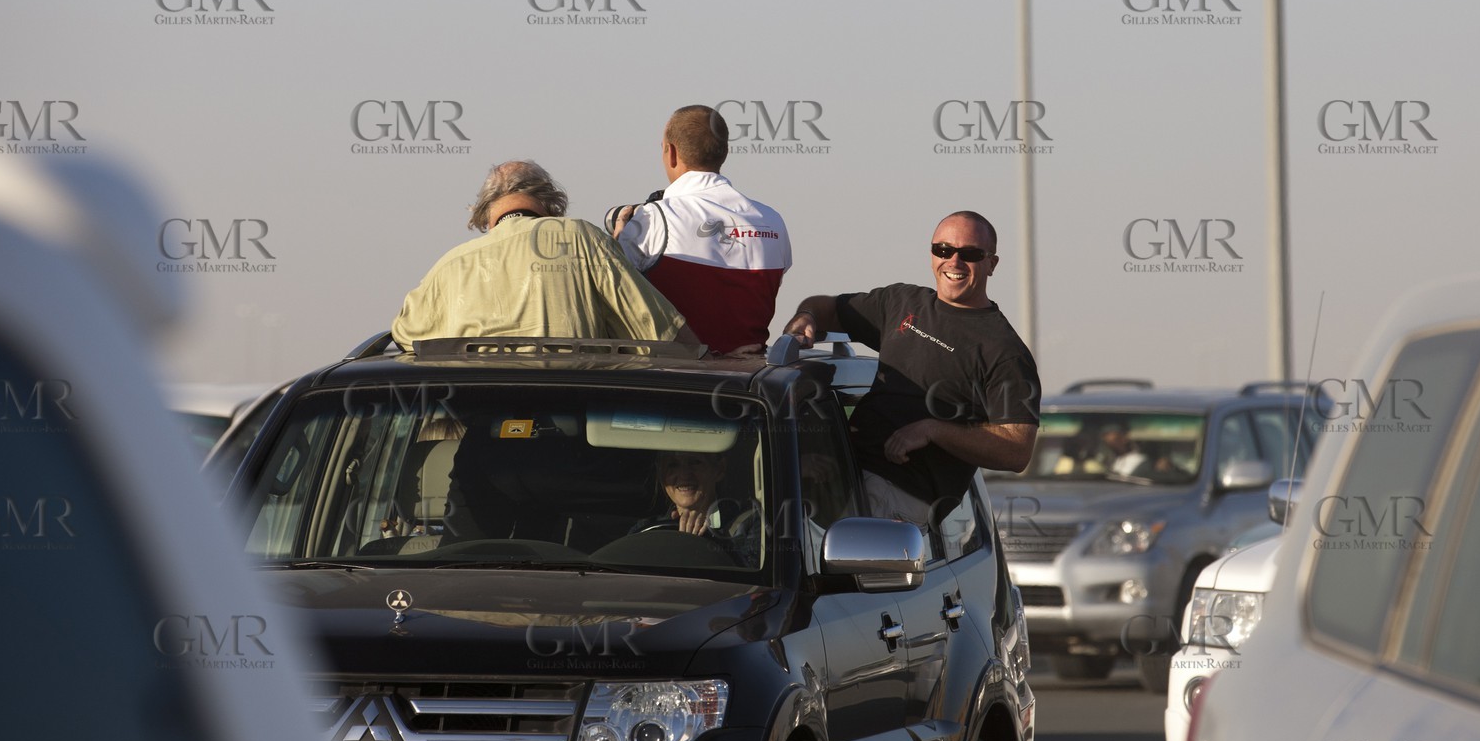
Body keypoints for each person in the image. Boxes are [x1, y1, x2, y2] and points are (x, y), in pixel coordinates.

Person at [781, 211, 1040, 524]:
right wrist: (806, 316)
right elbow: (825, 307)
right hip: (844, 471)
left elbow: (1017, 452)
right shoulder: (902, 303)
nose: (953, 262)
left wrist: (933, 430)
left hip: (894, 499)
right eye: (943, 250)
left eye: (969, 254)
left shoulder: (1004, 350)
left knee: (797, 548)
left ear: (992, 264)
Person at [390, 161, 700, 352]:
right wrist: (715, 360)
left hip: (477, 441)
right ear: (553, 206)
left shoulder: (450, 266)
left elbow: (405, 335)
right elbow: (656, 330)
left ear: (485, 216)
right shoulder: (581, 238)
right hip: (570, 436)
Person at [609, 105, 792, 354]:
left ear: (671, 152)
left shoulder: (653, 216)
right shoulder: (772, 220)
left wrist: (616, 241)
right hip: (750, 379)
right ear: (724, 153)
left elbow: (611, 293)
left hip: (680, 379)